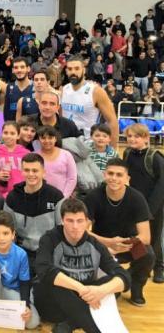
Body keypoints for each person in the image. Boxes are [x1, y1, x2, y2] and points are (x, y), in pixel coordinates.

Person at [34, 199, 130, 333]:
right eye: (70, 220)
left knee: (111, 281)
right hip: (53, 305)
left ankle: (70, 324)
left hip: (84, 301)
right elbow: (43, 270)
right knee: (55, 280)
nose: (75, 226)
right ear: (62, 220)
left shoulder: (95, 244)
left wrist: (101, 291)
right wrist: (80, 288)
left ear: (87, 223)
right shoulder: (49, 238)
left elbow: (124, 277)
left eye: (79, 221)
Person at [84, 158, 155, 306]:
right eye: (110, 173)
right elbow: (83, 231)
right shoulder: (93, 196)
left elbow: (146, 237)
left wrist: (123, 243)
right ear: (104, 175)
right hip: (101, 245)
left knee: (147, 254)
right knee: (111, 297)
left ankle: (134, 286)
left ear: (127, 178)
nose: (114, 178)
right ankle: (113, 285)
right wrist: (109, 243)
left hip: (128, 244)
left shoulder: (137, 198)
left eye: (119, 175)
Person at [0, 211, 40, 331]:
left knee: (32, 322)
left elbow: (24, 283)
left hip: (11, 291)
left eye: (5, 233)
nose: (1, 238)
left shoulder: (21, 254)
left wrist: (26, 306)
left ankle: (3, 310)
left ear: (13, 234)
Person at [4, 153, 64, 270]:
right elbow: (8, 230)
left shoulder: (56, 196)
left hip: (49, 252)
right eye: (27, 170)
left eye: (35, 171)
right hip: (22, 252)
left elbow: (61, 229)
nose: (31, 174)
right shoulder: (12, 197)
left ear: (43, 172)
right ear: (22, 172)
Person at [122, 123, 164, 283]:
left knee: (155, 238)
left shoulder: (155, 157)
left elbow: (161, 185)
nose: (132, 139)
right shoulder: (127, 154)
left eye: (136, 136)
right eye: (129, 136)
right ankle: (140, 266)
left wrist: (150, 210)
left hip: (154, 207)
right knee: (138, 238)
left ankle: (159, 267)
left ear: (146, 138)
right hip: (135, 206)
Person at [61, 56, 119, 145]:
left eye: (77, 69)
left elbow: (112, 121)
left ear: (84, 70)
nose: (73, 72)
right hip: (66, 143)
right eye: (70, 69)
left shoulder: (96, 91)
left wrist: (113, 150)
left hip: (89, 145)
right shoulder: (64, 89)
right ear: (66, 71)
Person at [0, 121, 29, 198]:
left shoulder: (26, 153)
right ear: (1, 134)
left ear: (18, 136)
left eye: (12, 133)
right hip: (1, 196)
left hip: (22, 195)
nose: (8, 136)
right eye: (5, 133)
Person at [37, 126, 77, 198]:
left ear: (55, 139)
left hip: (62, 197)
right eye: (43, 138)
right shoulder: (34, 156)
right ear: (38, 140)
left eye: (50, 138)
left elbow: (72, 178)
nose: (47, 141)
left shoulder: (66, 155)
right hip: (40, 197)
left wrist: (64, 197)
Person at [4, 57, 33, 121]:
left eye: (22, 67)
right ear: (13, 70)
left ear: (28, 69)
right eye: (16, 68)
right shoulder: (9, 87)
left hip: (30, 129)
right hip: (13, 128)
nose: (19, 70)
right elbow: (6, 112)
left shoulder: (35, 87)